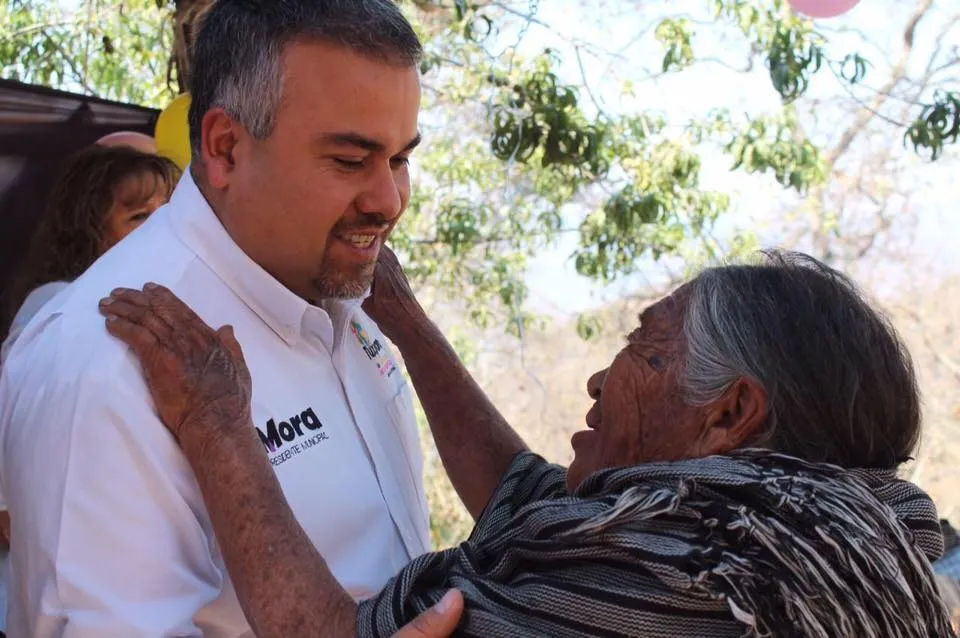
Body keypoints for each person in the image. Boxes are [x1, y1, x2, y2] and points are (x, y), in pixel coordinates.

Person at [99, 249, 953, 637]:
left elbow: (334, 634)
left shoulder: (673, 579)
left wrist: (217, 426)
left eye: (642, 349)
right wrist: (396, 312)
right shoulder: (867, 530)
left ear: (730, 415)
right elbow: (528, 496)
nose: (597, 381)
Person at [0, 2, 454, 636]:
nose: (389, 202)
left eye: (401, 159)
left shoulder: (352, 297)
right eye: (351, 161)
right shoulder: (104, 361)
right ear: (226, 147)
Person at [0, 144, 180, 360]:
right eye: (140, 216)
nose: (163, 222)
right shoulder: (56, 300)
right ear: (88, 233)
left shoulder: (172, 295)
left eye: (168, 209)